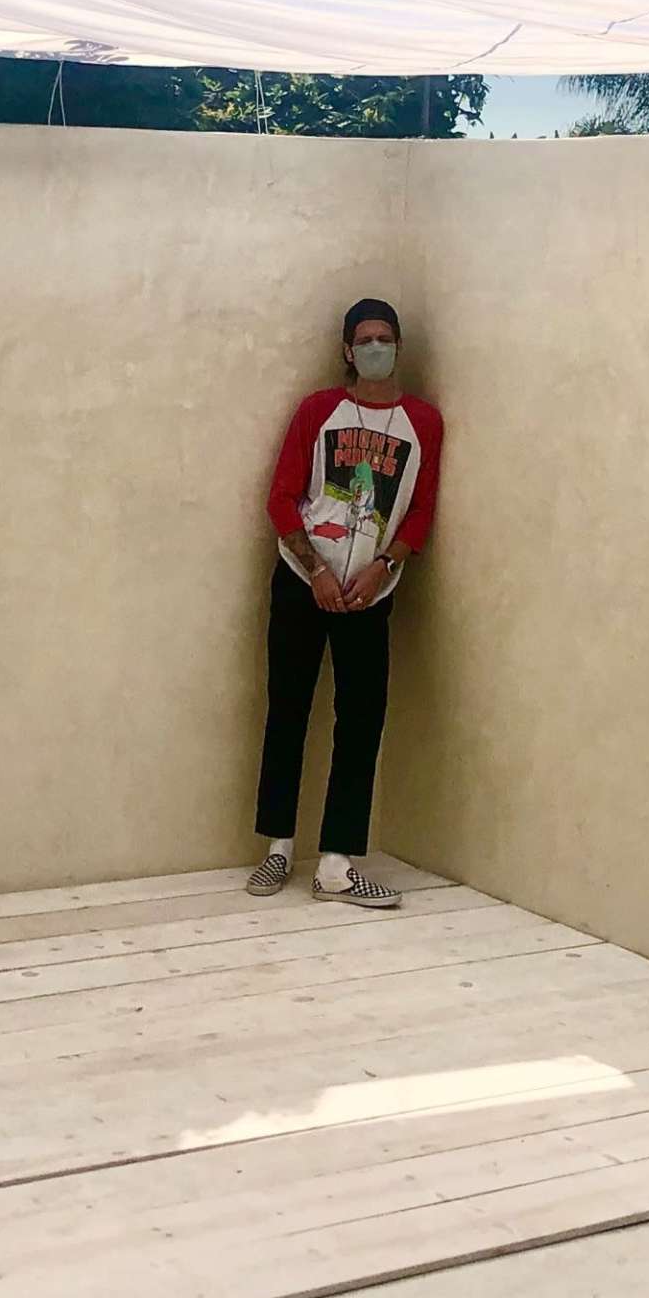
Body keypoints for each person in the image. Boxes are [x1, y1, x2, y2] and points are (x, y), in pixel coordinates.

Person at [249, 299, 442, 908]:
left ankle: (336, 864)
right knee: (288, 709)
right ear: (348, 351)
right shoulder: (318, 411)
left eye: (386, 338)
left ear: (399, 346)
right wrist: (315, 570)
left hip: (370, 592)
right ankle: (278, 849)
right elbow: (281, 499)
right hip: (302, 581)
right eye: (366, 339)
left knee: (361, 720)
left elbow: (420, 510)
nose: (376, 348)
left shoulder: (423, 422)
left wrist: (384, 566)